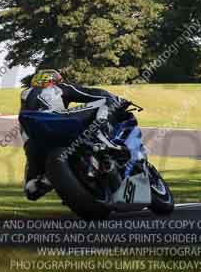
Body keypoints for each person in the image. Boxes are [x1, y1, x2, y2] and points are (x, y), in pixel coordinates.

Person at [20, 69, 125, 201]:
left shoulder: (25, 95)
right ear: (55, 81)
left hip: (32, 141)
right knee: (104, 101)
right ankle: (104, 142)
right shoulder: (59, 87)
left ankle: (45, 181)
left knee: (31, 190)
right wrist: (116, 99)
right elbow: (92, 93)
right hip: (56, 120)